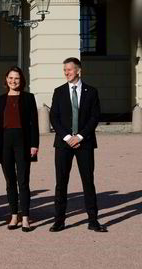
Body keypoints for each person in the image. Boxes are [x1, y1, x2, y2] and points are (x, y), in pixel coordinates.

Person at [49, 57, 107, 232]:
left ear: (78, 70)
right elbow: (54, 117)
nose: (66, 73)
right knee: (61, 183)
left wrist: (80, 136)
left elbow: (94, 117)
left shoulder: (92, 91)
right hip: (63, 143)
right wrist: (68, 137)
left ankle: (93, 220)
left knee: (88, 182)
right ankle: (59, 220)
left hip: (85, 143)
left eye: (70, 69)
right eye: (65, 70)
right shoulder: (58, 91)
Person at [0, 66, 39, 232]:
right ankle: (14, 215)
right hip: (5, 143)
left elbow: (34, 123)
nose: (13, 81)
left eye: (17, 79)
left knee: (23, 181)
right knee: (9, 182)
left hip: (23, 142)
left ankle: (25, 217)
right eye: (11, 78)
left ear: (22, 81)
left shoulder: (28, 98)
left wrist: (35, 144)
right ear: (6, 79)